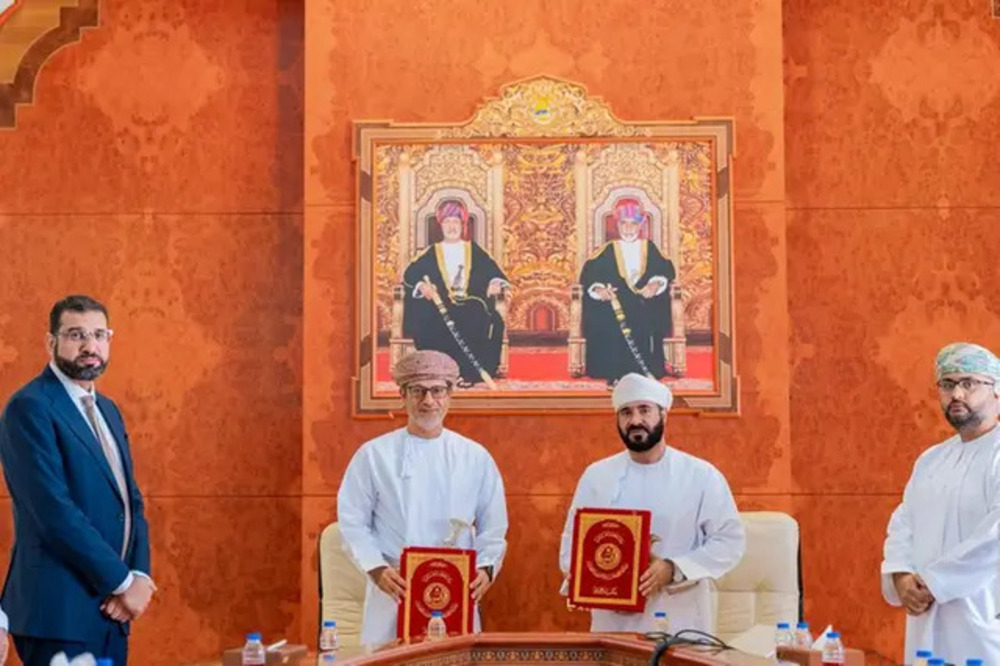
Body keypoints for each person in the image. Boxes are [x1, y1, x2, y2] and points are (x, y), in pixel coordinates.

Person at [0, 295, 154, 666]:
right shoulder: (30, 407)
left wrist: (140, 575)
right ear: (51, 342)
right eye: (76, 335)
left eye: (99, 335)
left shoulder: (108, 410)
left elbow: (130, 502)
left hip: (110, 611)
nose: (90, 346)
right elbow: (53, 512)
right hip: (58, 611)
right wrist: (122, 582)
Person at [337, 349, 509, 645]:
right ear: (402, 395)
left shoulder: (475, 457)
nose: (428, 400)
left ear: (450, 394)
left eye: (437, 390)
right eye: (418, 390)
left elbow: (494, 527)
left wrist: (487, 568)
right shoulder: (374, 455)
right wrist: (376, 568)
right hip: (394, 591)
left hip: (456, 593)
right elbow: (352, 522)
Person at [559, 373, 745, 633]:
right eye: (626, 413)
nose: (635, 420)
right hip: (613, 626)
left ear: (663, 415)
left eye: (644, 410)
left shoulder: (701, 475)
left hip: (680, 622)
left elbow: (729, 542)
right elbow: (572, 545)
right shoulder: (596, 476)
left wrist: (673, 568)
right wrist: (589, 581)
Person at [881, 342, 1000, 663]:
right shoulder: (931, 460)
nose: (956, 394)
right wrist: (901, 575)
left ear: (996, 390)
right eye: (947, 384)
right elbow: (903, 523)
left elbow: (995, 537)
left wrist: (935, 583)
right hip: (925, 616)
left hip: (983, 616)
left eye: (969, 383)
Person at [402, 198, 510, 387]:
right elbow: (410, 275)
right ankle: (442, 371)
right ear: (441, 225)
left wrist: (495, 283)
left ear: (462, 225)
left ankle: (470, 373)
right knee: (429, 320)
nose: (452, 226)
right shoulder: (431, 252)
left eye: (456, 222)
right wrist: (422, 287)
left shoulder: (473, 250)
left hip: (470, 305)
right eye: (447, 222)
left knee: (478, 316)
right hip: (440, 308)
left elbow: (493, 272)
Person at [579, 197, 677, 385]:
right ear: (618, 225)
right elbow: (590, 275)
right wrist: (599, 289)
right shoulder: (608, 250)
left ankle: (645, 371)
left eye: (633, 224)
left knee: (646, 317)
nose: (629, 228)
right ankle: (614, 371)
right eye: (624, 223)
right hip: (615, 303)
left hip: (644, 302)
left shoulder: (649, 248)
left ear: (640, 226)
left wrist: (655, 284)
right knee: (607, 318)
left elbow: (665, 270)